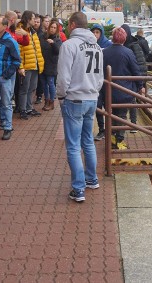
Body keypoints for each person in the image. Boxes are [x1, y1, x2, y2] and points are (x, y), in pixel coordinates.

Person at [56, 11, 104, 202]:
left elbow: (63, 77)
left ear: (73, 24)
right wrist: (94, 92)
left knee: (74, 146)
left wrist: (61, 95)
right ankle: (91, 179)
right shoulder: (97, 47)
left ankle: (78, 188)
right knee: (88, 141)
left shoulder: (69, 45)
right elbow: (100, 77)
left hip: (74, 98)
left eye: (68, 24)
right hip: (92, 97)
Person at [102, 27, 144, 143]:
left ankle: (112, 135)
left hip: (108, 90)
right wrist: (140, 86)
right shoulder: (128, 52)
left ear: (113, 38)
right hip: (124, 90)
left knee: (110, 114)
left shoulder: (104, 52)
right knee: (122, 115)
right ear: (124, 39)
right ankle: (119, 138)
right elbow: (136, 71)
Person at [0, 16, 21, 140]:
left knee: (6, 103)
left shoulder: (10, 41)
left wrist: (6, 75)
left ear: (5, 26)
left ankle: (8, 128)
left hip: (4, 77)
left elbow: (17, 61)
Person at [16, 11, 44, 120]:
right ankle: (23, 109)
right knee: (24, 88)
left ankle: (29, 107)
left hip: (34, 64)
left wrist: (39, 63)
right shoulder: (20, 31)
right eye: (33, 18)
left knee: (32, 88)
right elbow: (18, 50)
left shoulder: (33, 32)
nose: (35, 20)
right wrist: (21, 66)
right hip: (27, 65)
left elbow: (37, 49)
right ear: (28, 19)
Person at [122, 24, 147, 132]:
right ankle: (124, 123)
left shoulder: (134, 45)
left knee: (132, 101)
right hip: (125, 77)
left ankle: (133, 123)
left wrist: (140, 83)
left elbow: (141, 64)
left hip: (132, 78)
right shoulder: (125, 44)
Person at [40, 19, 62, 112]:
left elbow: (58, 52)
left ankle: (52, 102)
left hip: (52, 64)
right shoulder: (43, 37)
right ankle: (46, 100)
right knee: (44, 84)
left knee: (51, 83)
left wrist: (53, 44)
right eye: (51, 27)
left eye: (54, 28)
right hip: (42, 64)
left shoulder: (57, 40)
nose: (52, 29)